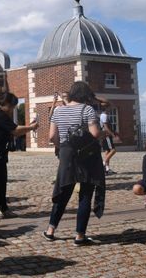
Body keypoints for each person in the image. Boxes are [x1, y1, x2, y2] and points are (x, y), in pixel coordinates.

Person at [44, 82, 104, 245]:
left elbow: (51, 137)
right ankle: (79, 235)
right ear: (85, 94)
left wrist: (61, 146)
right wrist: (103, 132)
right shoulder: (87, 109)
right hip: (86, 155)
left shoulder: (57, 110)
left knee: (63, 191)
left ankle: (50, 230)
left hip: (66, 153)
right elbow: (95, 133)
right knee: (85, 193)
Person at [0, 92, 38, 222]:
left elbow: (13, 130)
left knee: (1, 182)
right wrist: (31, 127)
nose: (13, 109)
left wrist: (28, 127)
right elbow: (15, 130)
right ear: (6, 104)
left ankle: (3, 209)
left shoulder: (2, 115)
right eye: (13, 106)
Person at [99, 100, 120, 175]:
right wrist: (113, 135)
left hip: (105, 135)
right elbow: (106, 127)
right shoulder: (104, 116)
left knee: (107, 152)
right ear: (106, 108)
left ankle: (107, 169)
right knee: (113, 150)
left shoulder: (102, 115)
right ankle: (103, 164)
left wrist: (114, 132)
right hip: (107, 135)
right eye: (109, 107)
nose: (110, 109)